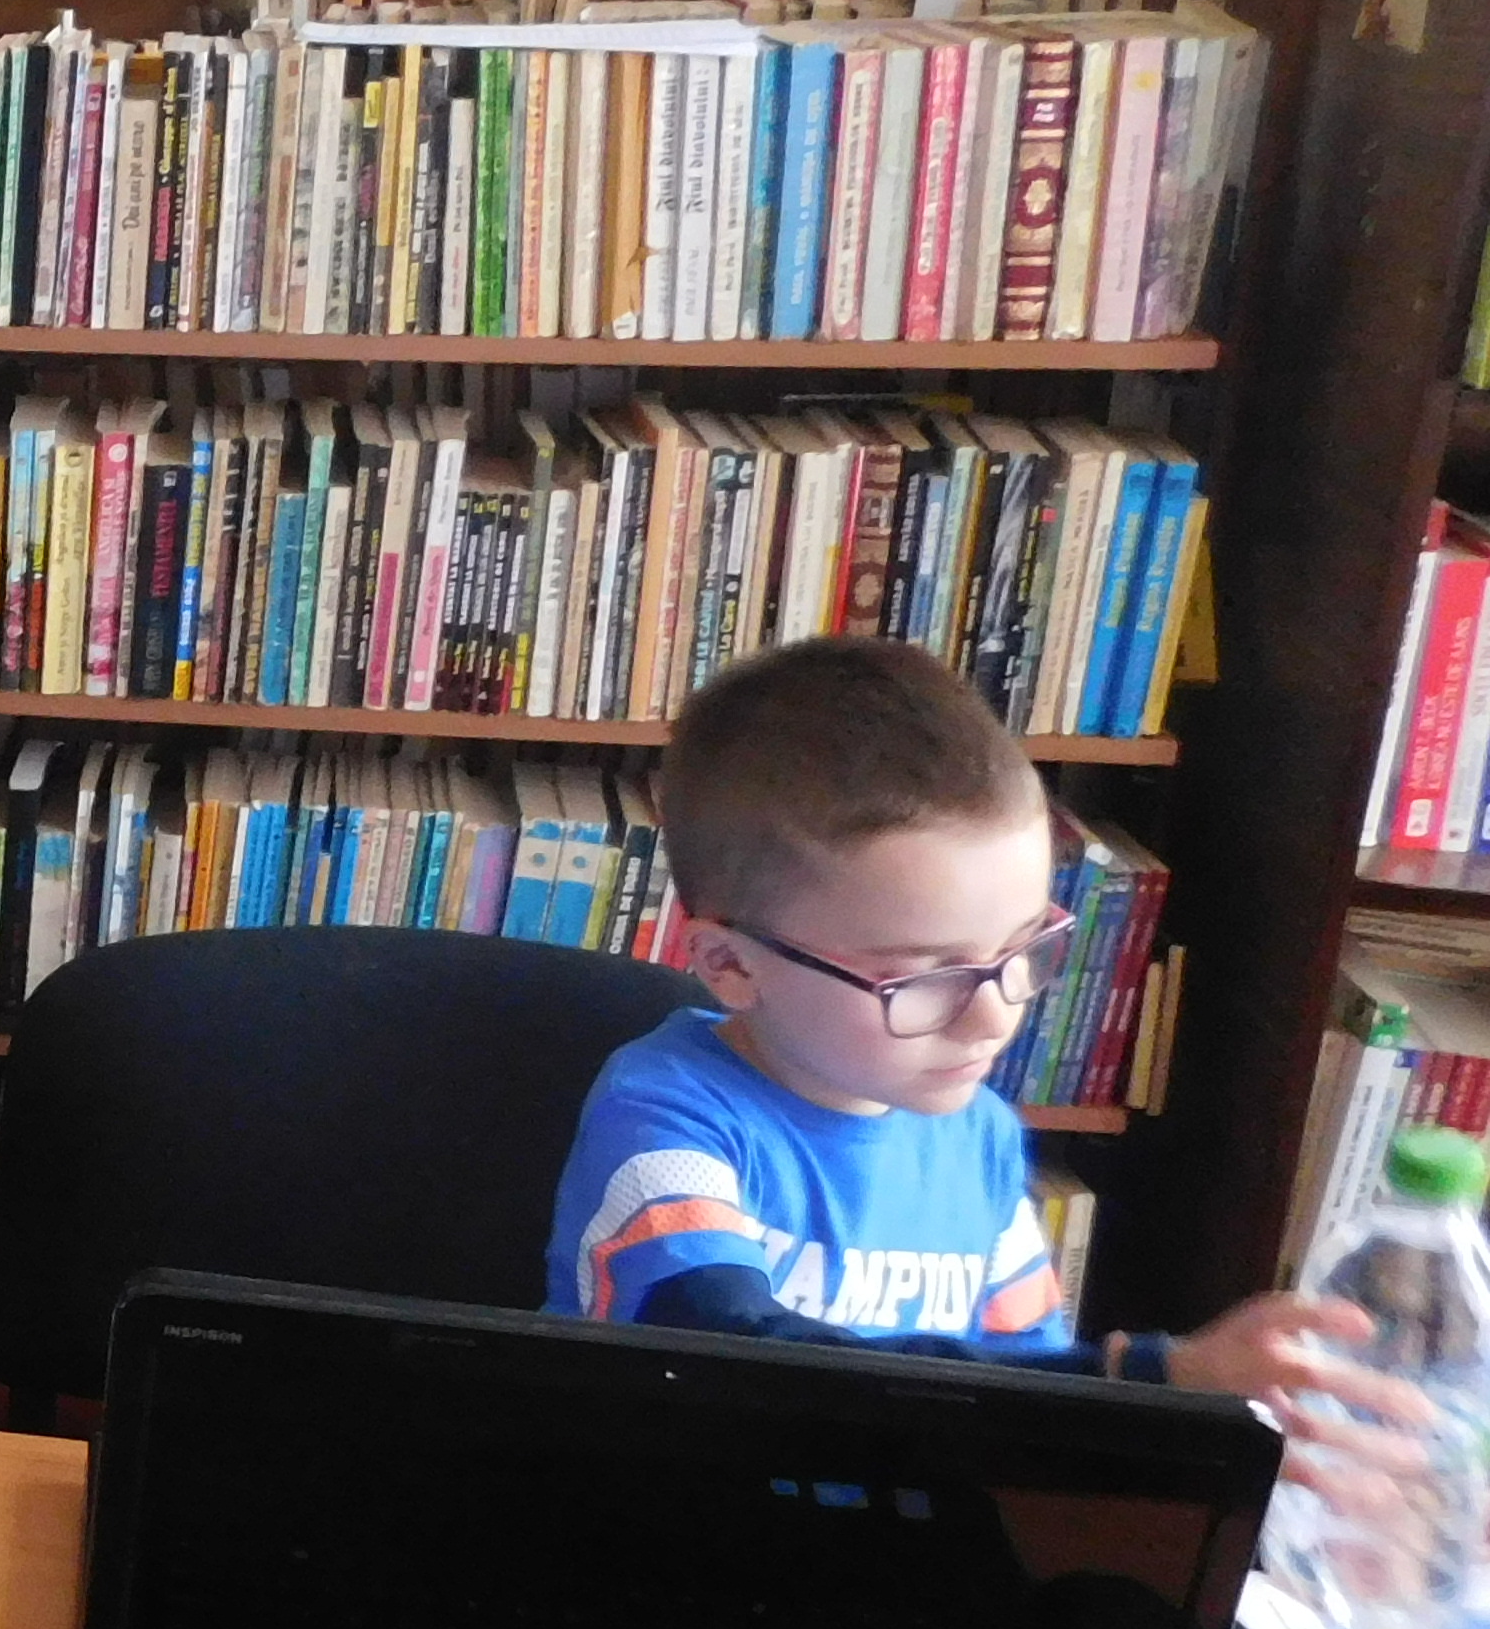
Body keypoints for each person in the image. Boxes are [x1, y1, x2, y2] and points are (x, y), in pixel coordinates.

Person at [547, 637, 1435, 1508]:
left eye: (1023, 952)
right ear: (730, 965)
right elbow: (731, 1360)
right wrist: (1147, 1378)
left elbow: (1027, 1401)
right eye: (925, 979)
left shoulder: (977, 1136)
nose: (995, 1015)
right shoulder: (664, 1118)